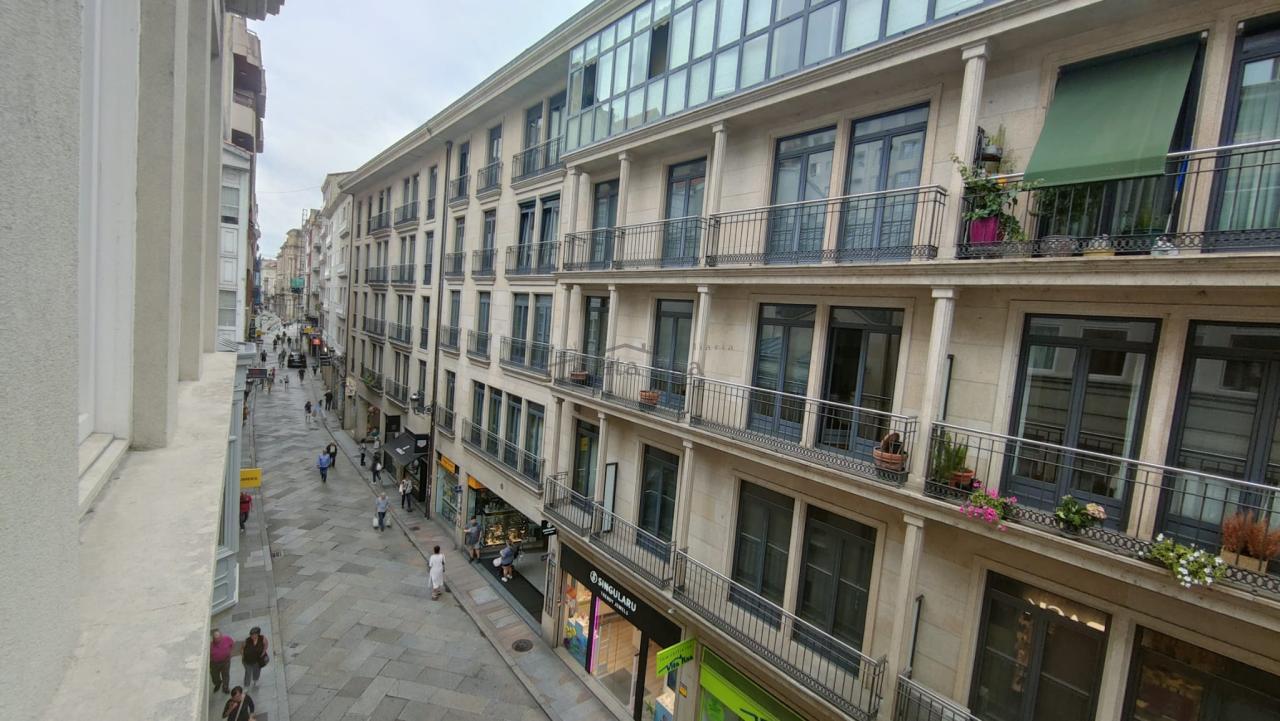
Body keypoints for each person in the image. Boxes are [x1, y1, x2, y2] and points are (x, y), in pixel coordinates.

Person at [209, 629, 234, 694]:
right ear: (213, 638)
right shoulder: (210, 645)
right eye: (215, 638)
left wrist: (230, 653)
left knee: (225, 675)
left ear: (221, 636)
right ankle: (218, 683)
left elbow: (232, 644)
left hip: (226, 661)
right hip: (214, 663)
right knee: (214, 676)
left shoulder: (227, 639)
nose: (217, 640)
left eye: (218, 638)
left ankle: (225, 687)